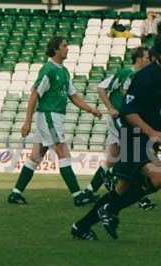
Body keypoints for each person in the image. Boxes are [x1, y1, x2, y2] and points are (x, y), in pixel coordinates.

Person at [71, 30, 161, 240]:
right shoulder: (145, 77)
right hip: (135, 136)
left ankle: (81, 226)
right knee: (159, 178)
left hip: (149, 138)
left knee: (121, 189)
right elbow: (128, 112)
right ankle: (111, 210)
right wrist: (152, 132)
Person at [7, 36, 102, 206]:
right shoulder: (48, 70)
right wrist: (27, 121)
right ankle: (78, 196)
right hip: (49, 116)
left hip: (54, 117)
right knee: (63, 153)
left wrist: (91, 109)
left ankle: (15, 193)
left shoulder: (64, 71)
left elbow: (73, 95)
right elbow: (35, 95)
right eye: (65, 46)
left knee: (36, 157)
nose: (68, 48)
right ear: (56, 49)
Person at [83, 46, 156, 211]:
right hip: (119, 119)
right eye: (146, 57)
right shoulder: (126, 73)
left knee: (113, 158)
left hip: (127, 120)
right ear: (138, 59)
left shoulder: (143, 77)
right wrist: (110, 108)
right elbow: (101, 88)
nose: (149, 60)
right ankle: (140, 196)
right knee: (133, 153)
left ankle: (88, 191)